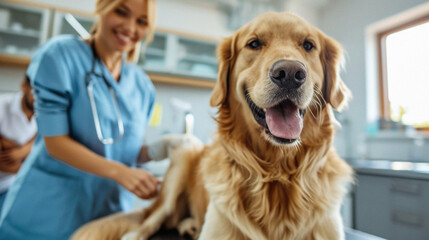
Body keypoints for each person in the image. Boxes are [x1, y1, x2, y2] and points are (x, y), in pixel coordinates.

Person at [0, 0, 172, 239]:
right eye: (121, 12)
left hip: (105, 217)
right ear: (102, 8)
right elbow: (55, 142)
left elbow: (123, 151)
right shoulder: (61, 56)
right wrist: (120, 173)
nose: (130, 27)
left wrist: (155, 150)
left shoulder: (143, 87)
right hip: (46, 215)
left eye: (142, 22)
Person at [0, 76, 37, 214]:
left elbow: (44, 147)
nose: (40, 97)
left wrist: (24, 149)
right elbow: (3, 162)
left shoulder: (46, 114)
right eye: (36, 90)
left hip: (11, 185)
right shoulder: (2, 105)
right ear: (24, 86)